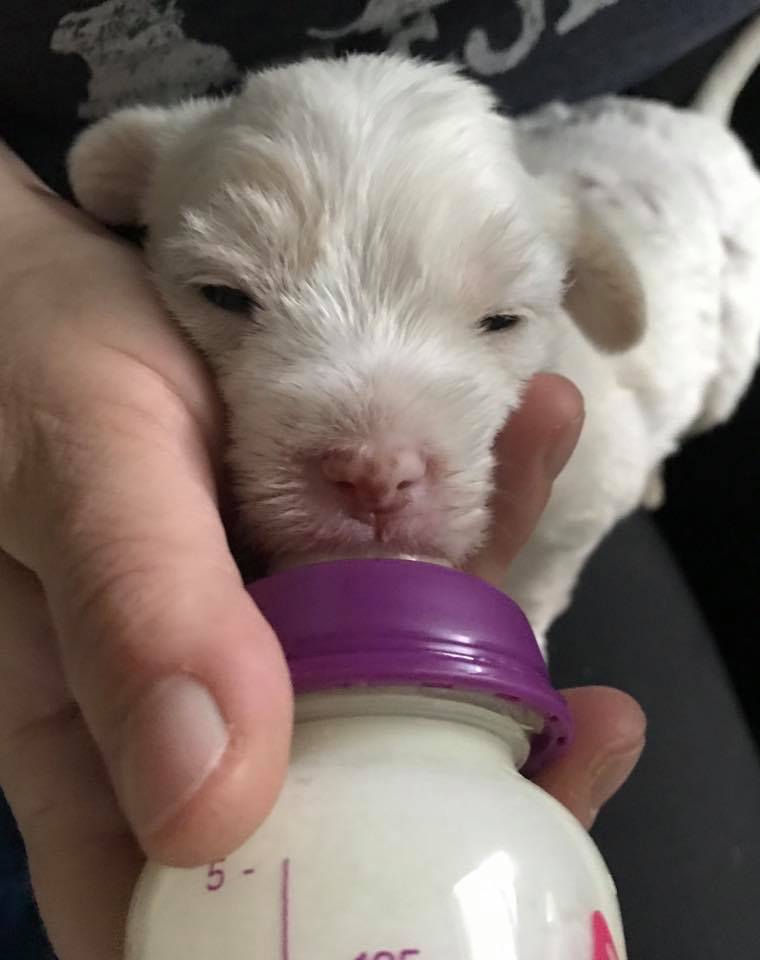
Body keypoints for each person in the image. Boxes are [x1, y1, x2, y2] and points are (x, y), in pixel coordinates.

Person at [1, 4, 759, 959]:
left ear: (569, 280)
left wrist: (528, 617)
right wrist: (18, 250)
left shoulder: (580, 389)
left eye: (496, 322)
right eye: (231, 296)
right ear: (129, 191)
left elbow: (600, 426)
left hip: (686, 180)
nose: (377, 465)